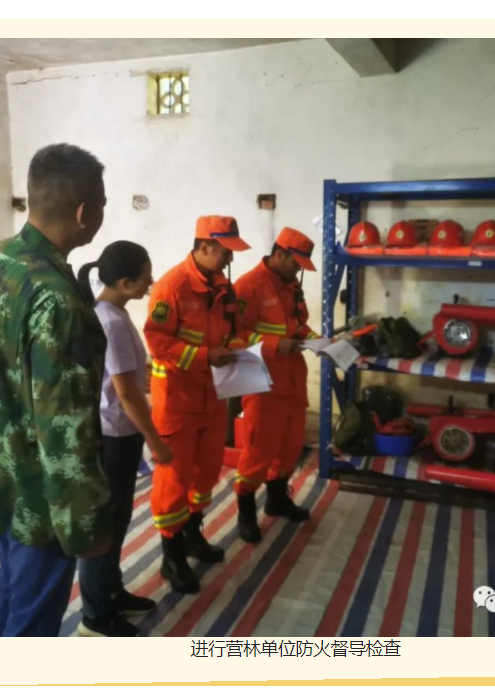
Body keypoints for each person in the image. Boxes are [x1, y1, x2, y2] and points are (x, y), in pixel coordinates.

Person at [0, 143, 112, 637]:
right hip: (39, 493)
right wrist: (84, 525)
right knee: (31, 621)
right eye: (103, 203)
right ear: (84, 212)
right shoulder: (58, 300)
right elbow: (65, 430)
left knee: (12, 588)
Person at [143, 215, 250, 593]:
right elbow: (158, 341)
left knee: (205, 473)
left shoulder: (223, 287)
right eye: (225, 252)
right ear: (204, 246)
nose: (230, 259)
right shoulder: (171, 286)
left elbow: (232, 331)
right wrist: (206, 356)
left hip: (212, 397)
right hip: (177, 401)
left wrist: (236, 349)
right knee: (173, 480)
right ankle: (171, 556)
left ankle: (192, 535)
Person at [75, 241, 175, 637]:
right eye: (146, 277)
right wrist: (156, 442)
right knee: (104, 523)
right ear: (124, 282)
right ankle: (95, 616)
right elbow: (127, 394)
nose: (151, 283)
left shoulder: (113, 313)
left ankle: (112, 592)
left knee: (117, 518)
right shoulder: (111, 322)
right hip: (114, 434)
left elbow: (127, 380)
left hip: (120, 430)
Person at [233, 227, 320, 543]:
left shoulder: (292, 286)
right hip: (262, 383)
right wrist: (273, 344)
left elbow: (299, 326)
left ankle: (277, 499)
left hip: (293, 381)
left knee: (290, 445)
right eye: (296, 264)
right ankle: (245, 512)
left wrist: (318, 340)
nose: (298, 271)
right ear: (279, 254)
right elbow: (234, 335)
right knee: (259, 450)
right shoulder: (248, 286)